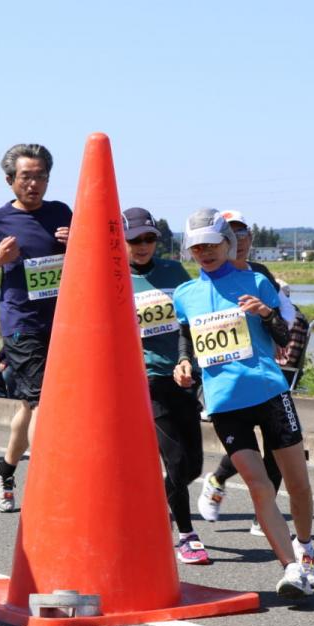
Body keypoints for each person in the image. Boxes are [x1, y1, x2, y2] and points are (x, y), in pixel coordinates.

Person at [172, 208, 314, 598]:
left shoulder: (255, 281)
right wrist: (184, 364)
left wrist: (266, 313)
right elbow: (187, 341)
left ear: (227, 244)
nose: (205, 252)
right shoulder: (185, 295)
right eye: (197, 247)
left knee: (298, 485)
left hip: (270, 393)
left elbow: (284, 336)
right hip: (224, 403)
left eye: (212, 244)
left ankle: (305, 547)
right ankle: (291, 569)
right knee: (258, 486)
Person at [0, 143, 71, 512]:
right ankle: (50, 483)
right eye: (26, 176)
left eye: (41, 176)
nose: (34, 184)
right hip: (21, 323)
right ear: (10, 179)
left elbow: (87, 257)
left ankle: (4, 470)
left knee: (30, 407)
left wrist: (76, 243)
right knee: (44, 402)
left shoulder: (61, 212)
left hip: (62, 321)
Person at [197, 210, 297, 537]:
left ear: (250, 239)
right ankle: (217, 480)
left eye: (244, 234)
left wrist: (274, 329)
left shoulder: (260, 274)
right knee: (243, 447)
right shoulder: (204, 278)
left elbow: (286, 316)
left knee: (275, 446)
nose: (238, 242)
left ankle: (263, 511)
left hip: (265, 376)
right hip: (226, 381)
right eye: (231, 235)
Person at [123, 207, 208, 564]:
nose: (143, 246)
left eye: (149, 238)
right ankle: (186, 535)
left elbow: (192, 318)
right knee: (174, 459)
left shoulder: (174, 271)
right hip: (147, 380)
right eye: (135, 240)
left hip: (184, 375)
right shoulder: (114, 277)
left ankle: (156, 505)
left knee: (193, 466)